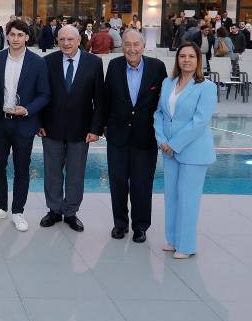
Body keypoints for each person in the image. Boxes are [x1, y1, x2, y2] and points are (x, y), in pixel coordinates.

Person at [0, 19, 50, 231]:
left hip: (24, 123)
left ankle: (18, 211)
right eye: (12, 35)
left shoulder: (38, 62)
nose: (16, 39)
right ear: (7, 36)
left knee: (21, 169)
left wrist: (27, 109)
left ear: (27, 37)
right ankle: (0, 206)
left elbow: (44, 94)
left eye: (20, 35)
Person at [38, 25, 105, 232]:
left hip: (81, 130)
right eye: (62, 39)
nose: (66, 43)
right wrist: (39, 123)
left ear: (79, 41)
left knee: (76, 173)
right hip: (51, 128)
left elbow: (99, 99)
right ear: (57, 41)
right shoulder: (47, 62)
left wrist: (96, 129)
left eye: (70, 40)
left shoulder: (94, 63)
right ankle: (54, 210)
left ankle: (71, 212)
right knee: (52, 172)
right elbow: (40, 94)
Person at [154, 42, 217, 259]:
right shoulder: (168, 82)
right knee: (172, 196)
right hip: (169, 150)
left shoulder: (206, 87)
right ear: (177, 59)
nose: (186, 60)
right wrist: (162, 140)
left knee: (188, 199)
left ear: (198, 60)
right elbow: (160, 114)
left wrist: (174, 144)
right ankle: (173, 239)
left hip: (193, 151)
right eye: (182, 56)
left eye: (191, 56)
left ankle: (187, 246)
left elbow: (199, 122)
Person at [104, 29, 167, 243]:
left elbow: (164, 103)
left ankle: (141, 226)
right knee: (118, 182)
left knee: (142, 184)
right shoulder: (113, 66)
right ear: (122, 46)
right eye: (127, 44)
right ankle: (120, 224)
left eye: (136, 44)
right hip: (117, 137)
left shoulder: (157, 68)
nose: (132, 49)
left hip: (145, 137)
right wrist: (100, 129)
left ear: (143, 46)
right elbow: (106, 100)